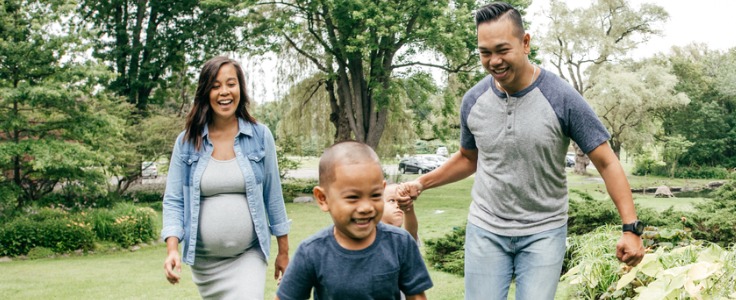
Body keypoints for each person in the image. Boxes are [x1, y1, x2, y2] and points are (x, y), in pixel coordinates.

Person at [394, 2, 646, 299]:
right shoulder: (474, 100)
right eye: (484, 53)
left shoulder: (560, 97)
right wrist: (421, 183)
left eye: (502, 50)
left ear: (526, 42)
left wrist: (631, 228)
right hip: (486, 227)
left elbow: (606, 161)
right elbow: (468, 158)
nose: (494, 61)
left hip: (544, 232)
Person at [160, 56, 291, 299]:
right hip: (205, 262)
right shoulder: (187, 142)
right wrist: (172, 249)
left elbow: (273, 196)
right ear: (205, 92)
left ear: (240, 88)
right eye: (215, 85)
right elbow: (174, 200)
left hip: (248, 255)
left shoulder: (260, 136)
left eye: (231, 84)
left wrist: (283, 251)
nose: (224, 92)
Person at [277, 141, 432, 300]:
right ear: (323, 199)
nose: (366, 207)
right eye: (352, 197)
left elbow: (417, 296)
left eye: (375, 195)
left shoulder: (400, 244)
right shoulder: (311, 252)